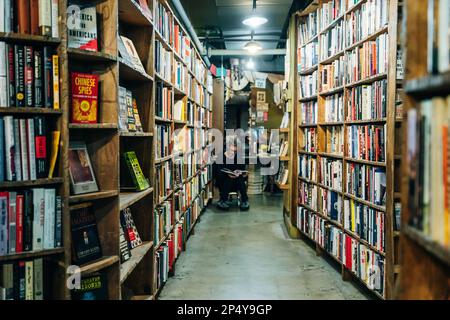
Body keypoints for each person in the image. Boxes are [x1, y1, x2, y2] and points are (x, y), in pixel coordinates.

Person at [215, 137, 250, 211]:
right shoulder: (220, 156)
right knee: (229, 178)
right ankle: (223, 200)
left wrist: (241, 172)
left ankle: (244, 200)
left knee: (240, 178)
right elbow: (218, 173)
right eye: (232, 150)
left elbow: (242, 169)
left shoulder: (239, 156)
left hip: (237, 182)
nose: (233, 153)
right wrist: (228, 174)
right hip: (224, 182)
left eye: (235, 151)